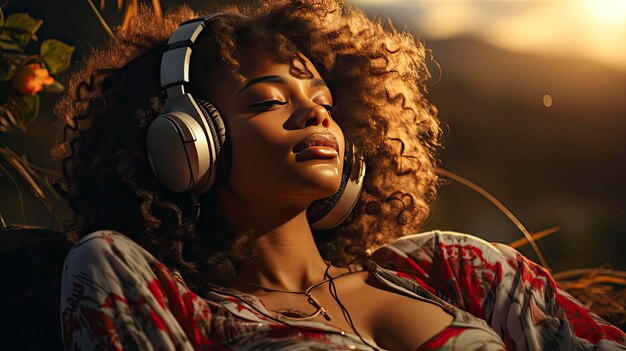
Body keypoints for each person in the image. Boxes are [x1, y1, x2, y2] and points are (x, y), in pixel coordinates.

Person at [56, 1, 626, 350]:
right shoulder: (168, 298)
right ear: (184, 143)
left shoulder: (451, 268)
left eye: (322, 98)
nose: (315, 112)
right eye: (267, 102)